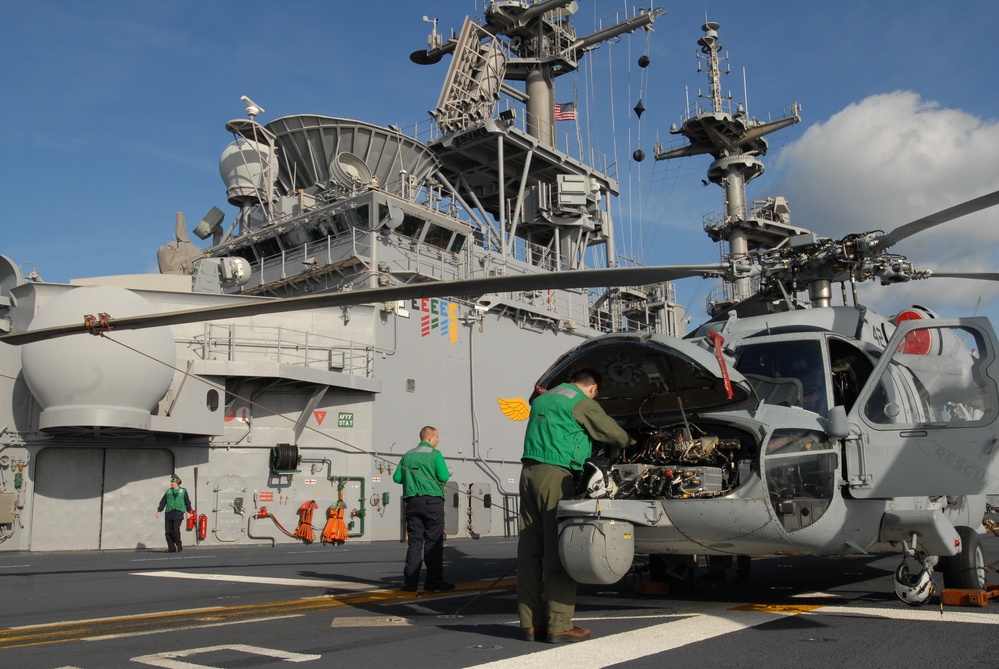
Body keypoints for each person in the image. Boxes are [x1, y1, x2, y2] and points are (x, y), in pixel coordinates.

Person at [518, 369, 633, 644]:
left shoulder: (543, 399)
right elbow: (612, 433)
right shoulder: (580, 401)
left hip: (528, 473)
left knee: (529, 553)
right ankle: (559, 624)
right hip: (556, 476)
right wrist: (628, 441)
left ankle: (530, 625)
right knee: (559, 549)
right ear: (592, 388)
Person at [393, 425, 454, 593]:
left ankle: (410, 583)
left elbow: (397, 477)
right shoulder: (435, 455)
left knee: (414, 543)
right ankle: (433, 582)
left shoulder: (407, 455)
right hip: (432, 503)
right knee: (433, 543)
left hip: (412, 503)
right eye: (436, 437)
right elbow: (443, 477)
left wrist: (412, 479)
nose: (438, 440)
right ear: (429, 438)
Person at [156, 475, 192, 553]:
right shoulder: (168, 492)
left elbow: (187, 502)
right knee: (168, 532)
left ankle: (179, 545)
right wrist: (159, 510)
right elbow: (163, 502)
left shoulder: (183, 492)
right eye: (171, 482)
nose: (171, 483)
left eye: (173, 482)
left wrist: (188, 512)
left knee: (175, 529)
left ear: (177, 483)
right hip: (169, 513)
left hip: (178, 512)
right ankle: (171, 548)